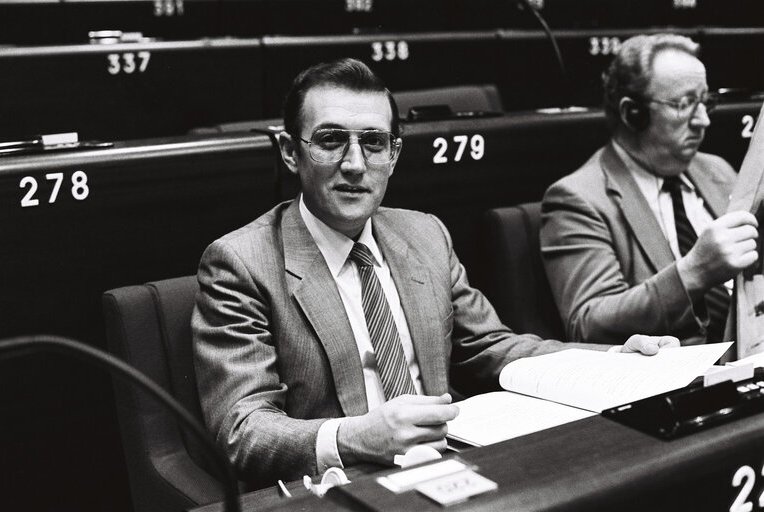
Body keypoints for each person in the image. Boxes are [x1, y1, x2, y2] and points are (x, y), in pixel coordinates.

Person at [192, 58, 677, 489]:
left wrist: (610, 360)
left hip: (454, 466)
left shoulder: (425, 235)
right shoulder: (241, 262)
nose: (355, 164)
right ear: (291, 152)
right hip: (347, 484)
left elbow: (491, 346)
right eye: (331, 140)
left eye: (374, 143)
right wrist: (356, 436)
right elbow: (243, 431)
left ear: (394, 155)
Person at [540, 34, 758, 348]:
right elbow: (587, 322)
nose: (704, 120)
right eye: (685, 105)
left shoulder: (717, 170)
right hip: (677, 379)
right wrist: (693, 272)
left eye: (706, 102)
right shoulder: (577, 198)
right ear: (633, 113)